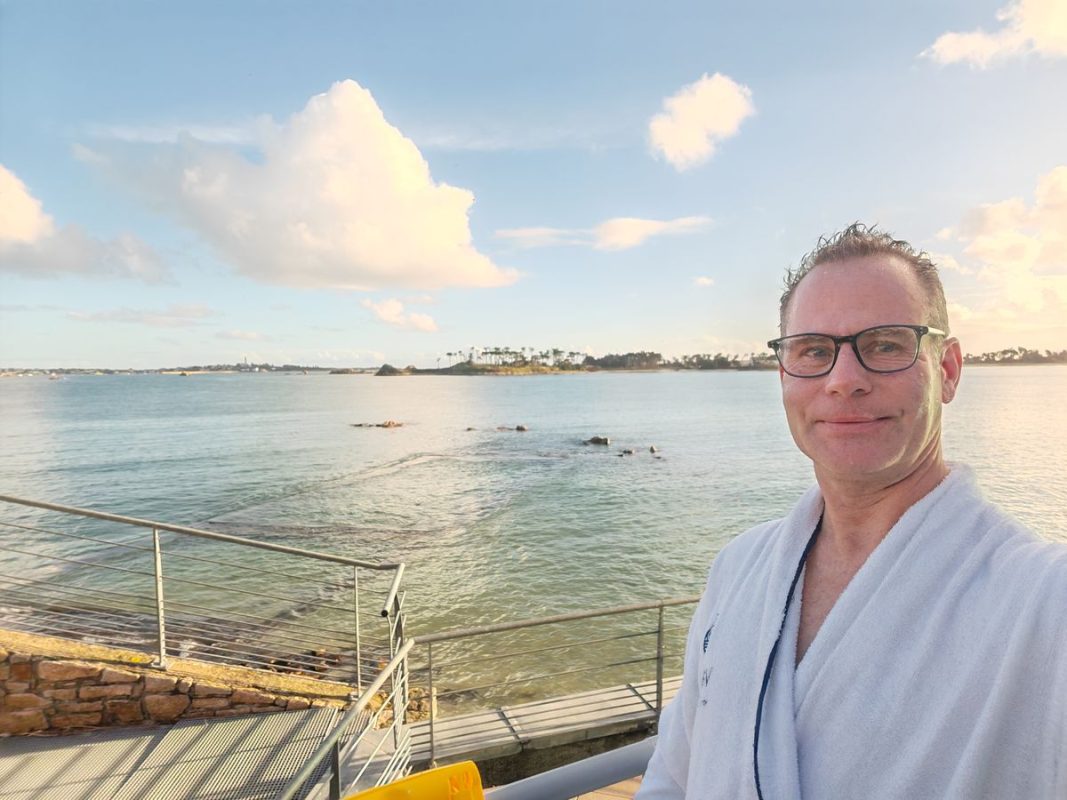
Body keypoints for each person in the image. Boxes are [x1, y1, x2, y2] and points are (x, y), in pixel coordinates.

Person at [636, 223, 1067, 799]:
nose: (843, 380)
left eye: (886, 344)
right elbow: (674, 774)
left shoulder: (1041, 602)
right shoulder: (738, 568)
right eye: (813, 350)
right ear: (784, 372)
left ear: (948, 370)